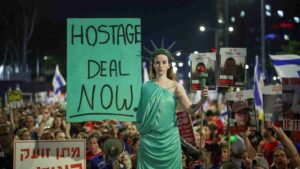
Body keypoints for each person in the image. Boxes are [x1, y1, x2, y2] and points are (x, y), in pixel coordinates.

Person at [136, 47, 208, 169]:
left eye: (164, 62)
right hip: (149, 141)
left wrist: (202, 100)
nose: (160, 65)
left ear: (169, 65)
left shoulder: (176, 86)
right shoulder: (145, 87)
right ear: (153, 64)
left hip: (170, 141)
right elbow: (140, 114)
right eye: (157, 62)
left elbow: (190, 109)